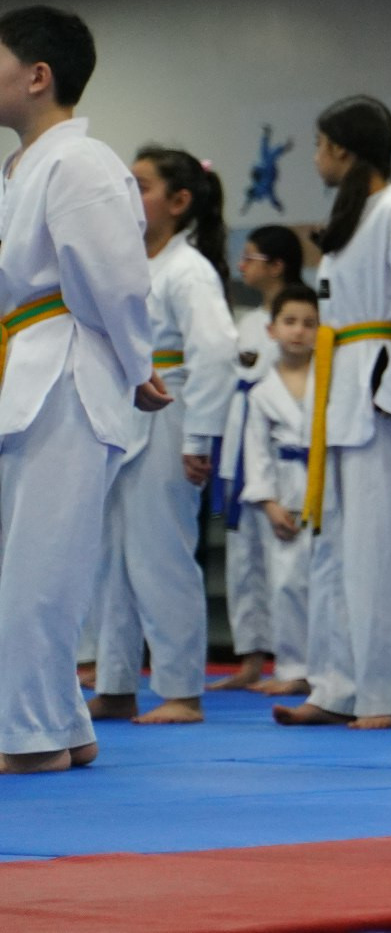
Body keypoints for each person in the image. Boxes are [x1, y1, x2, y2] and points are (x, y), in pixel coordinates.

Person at [0, 7, 166, 773]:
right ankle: (62, 721)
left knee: (43, 565)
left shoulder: (82, 162)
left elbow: (117, 281)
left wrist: (137, 364)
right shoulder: (24, 168)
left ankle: (31, 736)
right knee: (30, 560)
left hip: (66, 365)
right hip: (28, 363)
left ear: (38, 75)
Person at [276, 96, 391, 730]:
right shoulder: (354, 218)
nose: (316, 158)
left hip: (375, 397)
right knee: (331, 551)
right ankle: (335, 686)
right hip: (338, 393)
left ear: (343, 151)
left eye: (320, 145)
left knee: (376, 554)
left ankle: (379, 695)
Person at [89, 147, 237, 726]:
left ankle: (181, 690)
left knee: (163, 558)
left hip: (171, 413)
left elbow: (217, 353)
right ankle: (116, 684)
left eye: (142, 185)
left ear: (179, 202)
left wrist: (200, 439)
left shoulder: (188, 269)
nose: (129, 194)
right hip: (120, 416)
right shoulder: (127, 263)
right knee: (111, 563)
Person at [210, 224, 303, 694]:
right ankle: (250, 659)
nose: (242, 265)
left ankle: (295, 662)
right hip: (239, 445)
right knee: (243, 562)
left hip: (284, 452)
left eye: (251, 258)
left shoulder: (302, 317)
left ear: (277, 265)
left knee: (287, 565)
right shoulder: (247, 322)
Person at [237, 283, 321, 704]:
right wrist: (268, 503)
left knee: (328, 583)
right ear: (271, 330)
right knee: (286, 582)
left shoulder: (332, 382)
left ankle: (328, 667)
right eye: (290, 322)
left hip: (326, 489)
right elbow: (256, 453)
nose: (299, 331)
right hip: (285, 491)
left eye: (309, 323)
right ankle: (292, 667)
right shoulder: (260, 392)